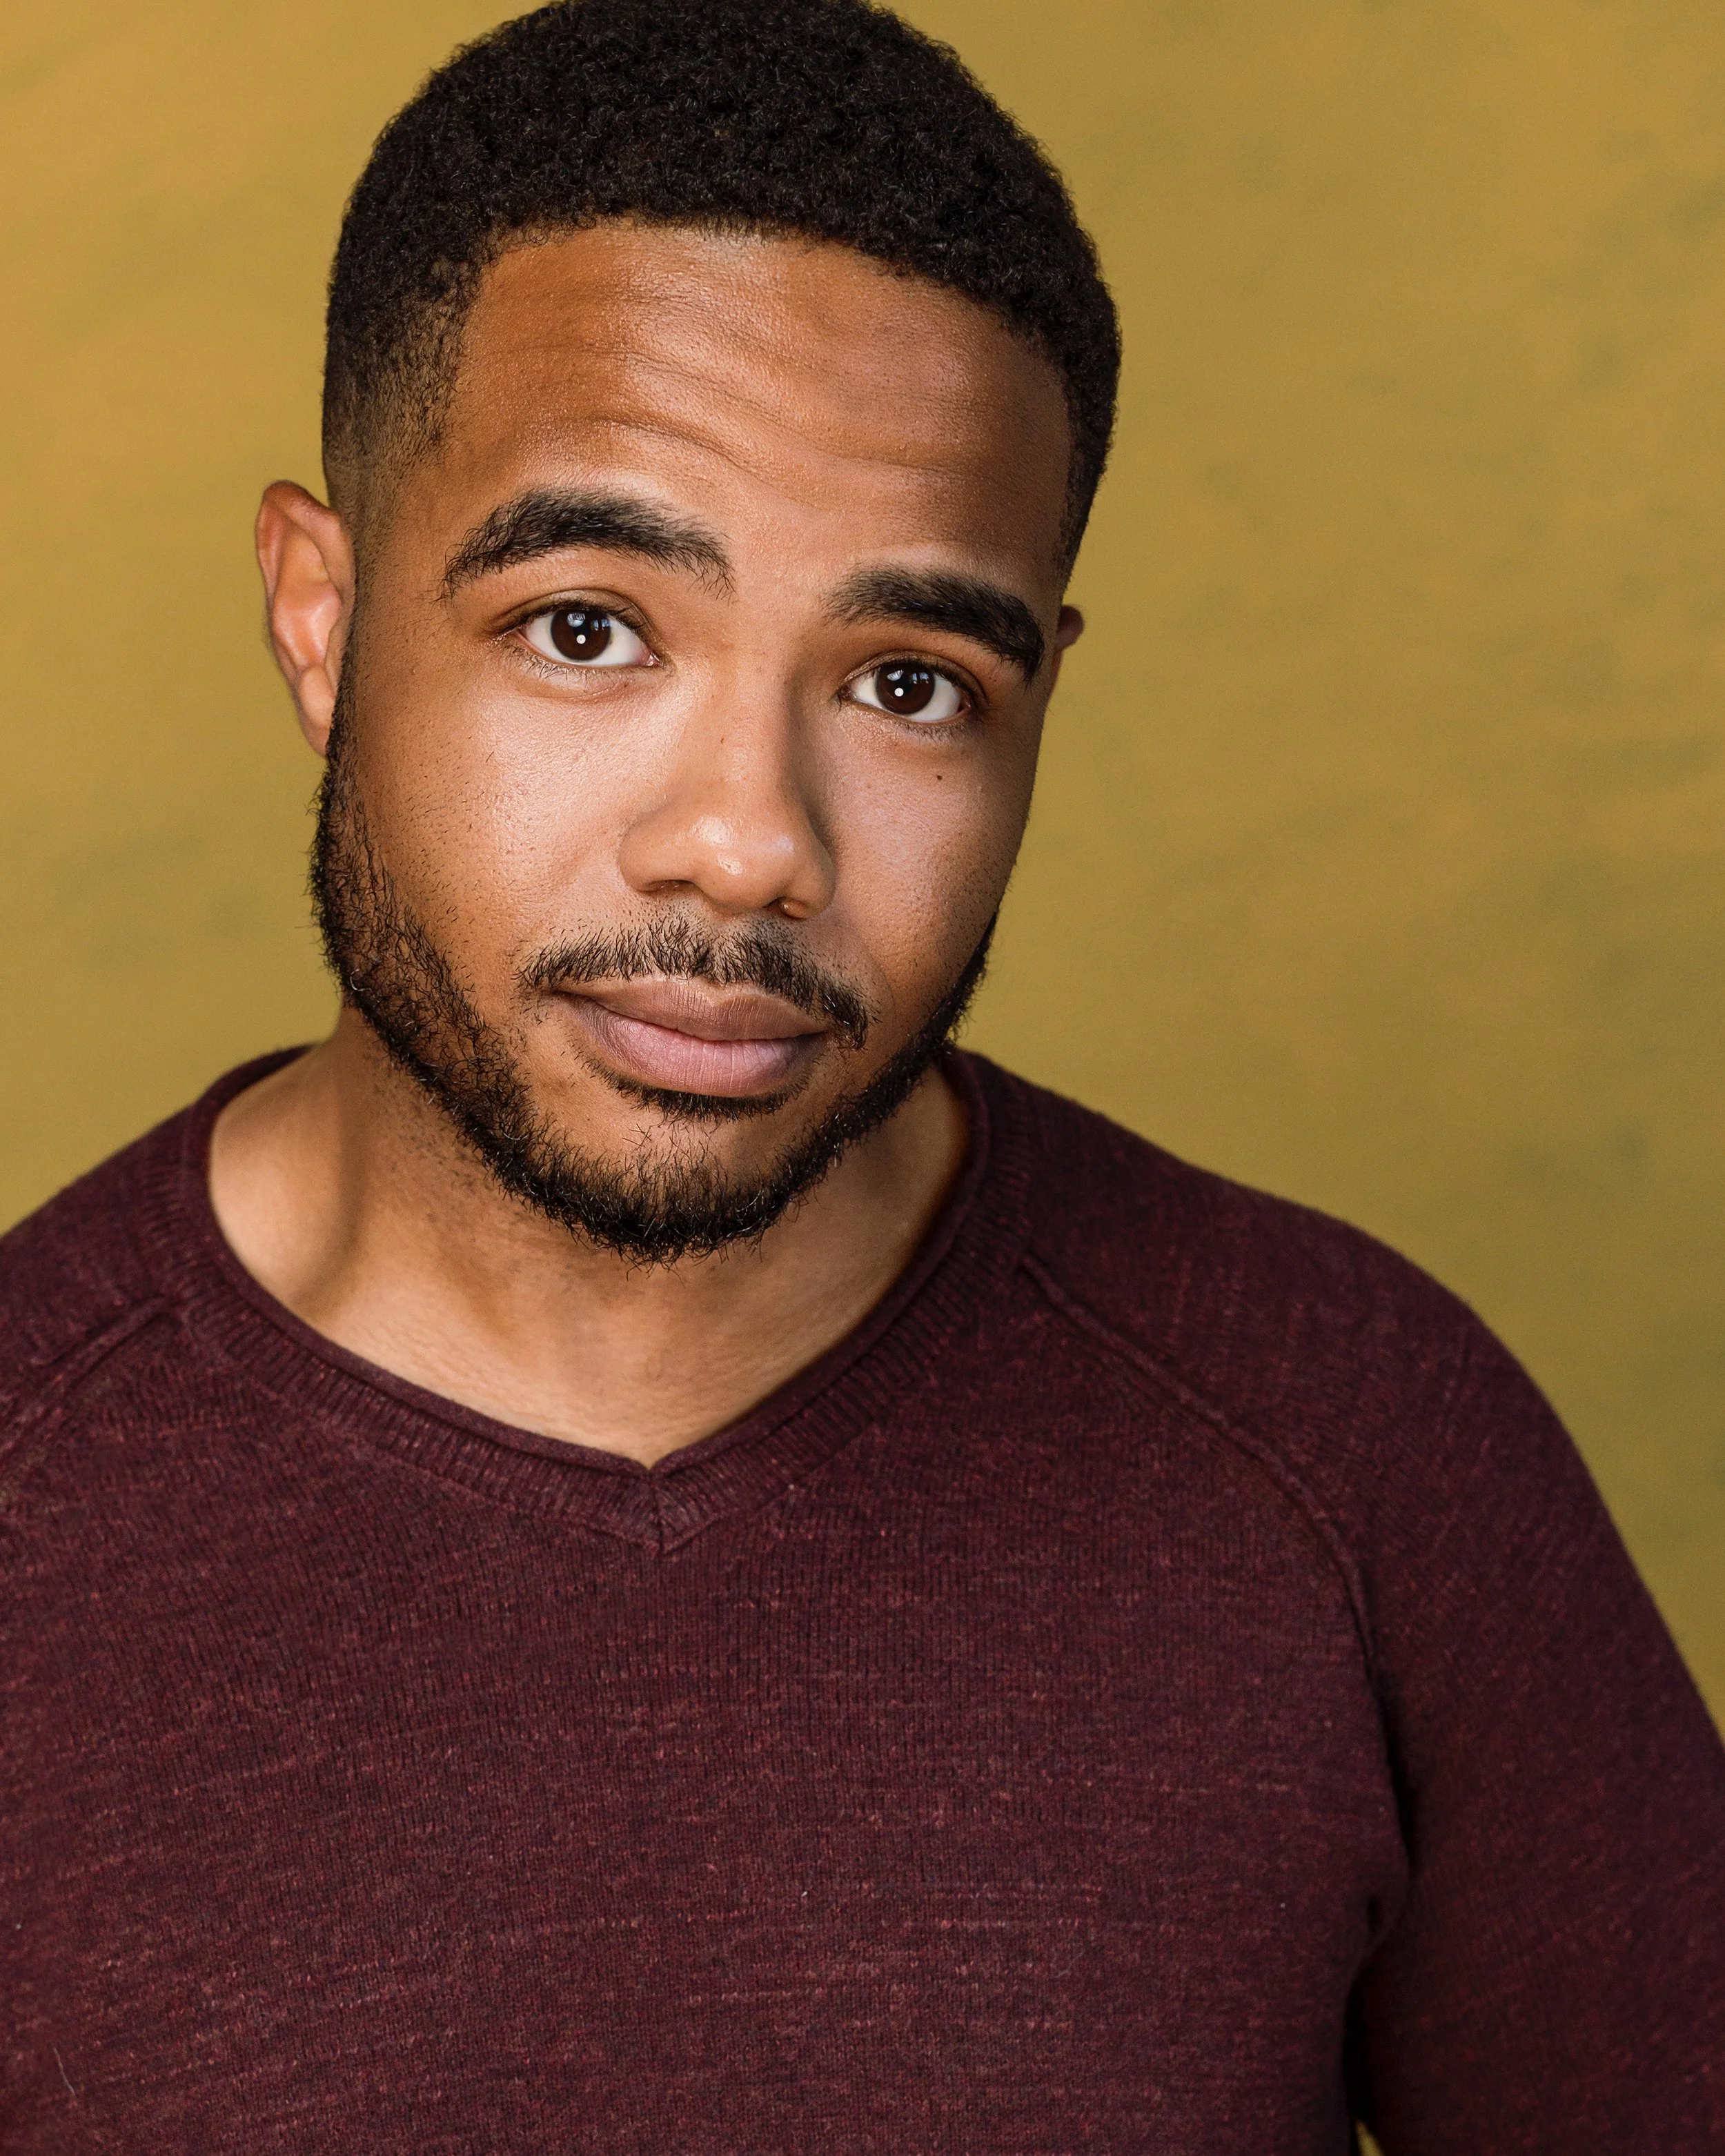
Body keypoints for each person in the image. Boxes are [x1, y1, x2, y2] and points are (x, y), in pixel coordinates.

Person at [1, 1, 1719, 2146]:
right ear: (322, 618)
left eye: (908, 681)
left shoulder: (1358, 1447)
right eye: (587, 626)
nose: (752, 840)